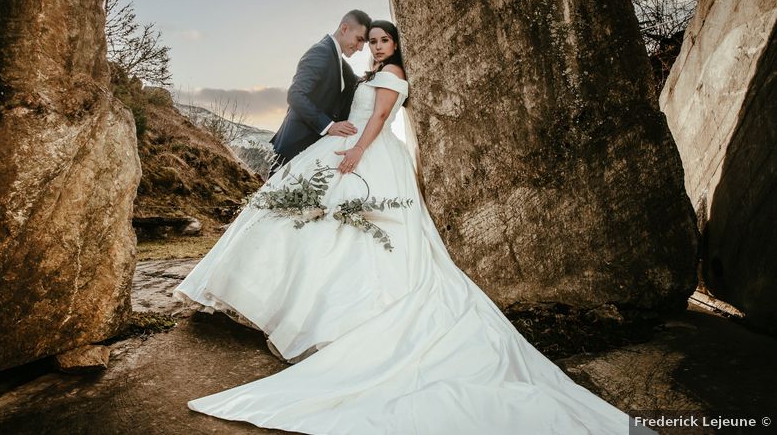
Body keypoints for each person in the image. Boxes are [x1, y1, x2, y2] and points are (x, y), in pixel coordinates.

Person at [172, 21, 645, 434]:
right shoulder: (373, 73)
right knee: (323, 229)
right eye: (372, 41)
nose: (377, 47)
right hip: (350, 145)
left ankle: (346, 316)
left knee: (362, 234)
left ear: (396, 44)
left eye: (383, 40)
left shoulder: (393, 75)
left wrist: (357, 152)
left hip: (369, 152)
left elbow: (378, 117)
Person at [267, 9, 371, 177]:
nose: (360, 48)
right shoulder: (320, 52)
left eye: (364, 43)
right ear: (344, 28)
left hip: (312, 149)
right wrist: (329, 126)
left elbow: (357, 83)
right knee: (274, 200)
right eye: (359, 40)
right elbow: (295, 94)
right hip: (295, 144)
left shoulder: (339, 61)